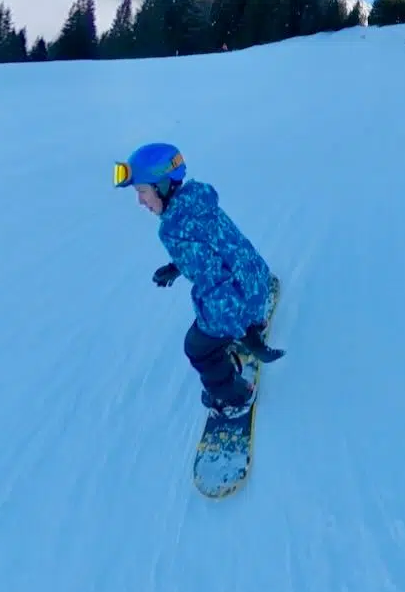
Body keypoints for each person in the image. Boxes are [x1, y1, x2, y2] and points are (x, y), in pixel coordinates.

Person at [113, 142, 282, 415]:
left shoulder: (173, 229)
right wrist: (178, 265)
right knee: (226, 314)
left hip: (236, 304)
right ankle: (253, 320)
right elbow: (212, 248)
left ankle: (235, 396)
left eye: (142, 191)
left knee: (197, 349)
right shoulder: (197, 200)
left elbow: (216, 286)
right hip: (256, 279)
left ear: (163, 186)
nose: (140, 201)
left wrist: (244, 332)